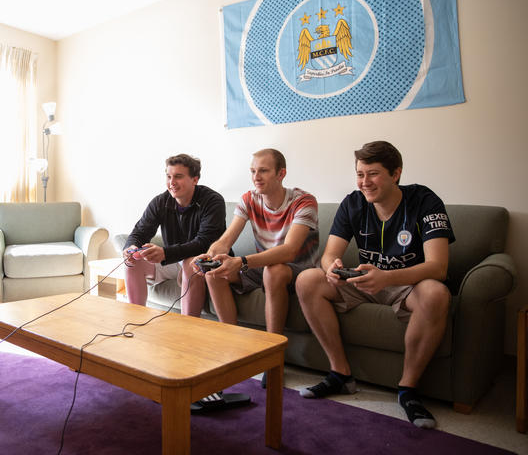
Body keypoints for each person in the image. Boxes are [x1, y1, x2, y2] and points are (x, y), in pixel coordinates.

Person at [295, 141, 455, 429]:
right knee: (308, 280)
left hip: (408, 284)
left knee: (436, 293)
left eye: (373, 174)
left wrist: (386, 276)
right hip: (362, 279)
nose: (364, 183)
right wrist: (331, 267)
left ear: (396, 174)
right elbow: (330, 254)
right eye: (360, 174)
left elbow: (438, 267)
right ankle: (341, 374)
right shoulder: (353, 202)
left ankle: (408, 390)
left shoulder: (425, 200)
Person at [194, 148, 319, 338]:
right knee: (214, 273)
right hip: (262, 267)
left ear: (281, 174)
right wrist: (210, 256)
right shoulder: (249, 199)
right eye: (253, 171)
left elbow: (289, 251)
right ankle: (233, 346)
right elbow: (226, 240)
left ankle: (272, 350)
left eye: (263, 171)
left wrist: (242, 261)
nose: (256, 177)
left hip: (299, 271)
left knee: (274, 270)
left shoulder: (303, 201)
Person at [123, 154, 226, 316]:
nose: (172, 182)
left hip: (207, 261)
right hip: (175, 259)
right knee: (133, 261)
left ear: (195, 179)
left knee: (189, 263)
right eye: (169, 176)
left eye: (178, 176)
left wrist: (165, 253)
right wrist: (131, 247)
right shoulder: (160, 202)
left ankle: (187, 328)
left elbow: (204, 243)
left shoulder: (213, 201)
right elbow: (140, 231)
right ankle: (135, 320)